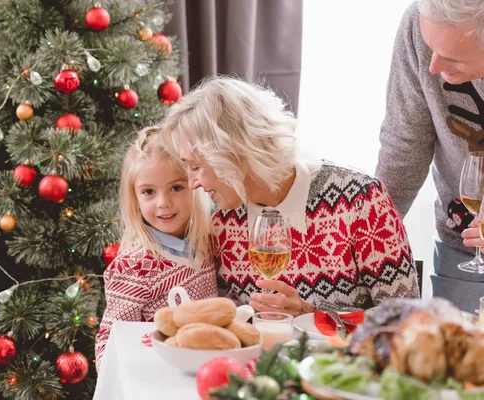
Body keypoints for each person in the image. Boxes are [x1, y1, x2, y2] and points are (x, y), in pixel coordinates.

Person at [161, 76, 420, 317]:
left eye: (195, 166)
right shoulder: (220, 219)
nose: (192, 183)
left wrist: (312, 315)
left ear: (233, 154)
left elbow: (405, 319)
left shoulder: (360, 200)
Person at [375, 0, 484, 312]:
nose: (432, 67)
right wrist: (373, 229)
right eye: (430, 47)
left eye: (450, 57)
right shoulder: (417, 24)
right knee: (455, 354)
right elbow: (404, 141)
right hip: (463, 240)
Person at [94, 126, 217, 373]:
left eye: (176, 187)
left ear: (194, 186)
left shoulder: (204, 242)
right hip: (156, 377)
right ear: (135, 198)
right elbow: (111, 342)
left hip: (203, 372)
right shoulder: (134, 265)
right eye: (149, 192)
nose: (163, 203)